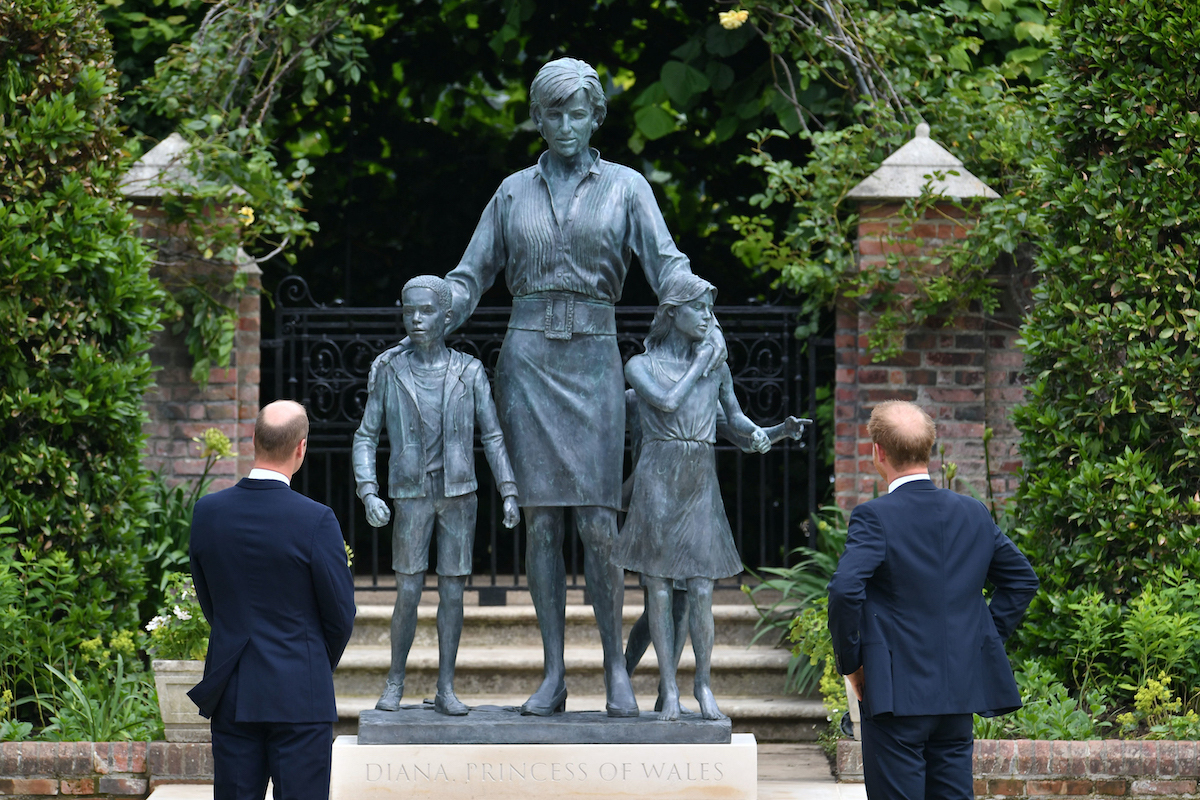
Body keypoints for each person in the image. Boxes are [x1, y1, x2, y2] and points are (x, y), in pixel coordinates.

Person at [432, 56, 727, 718]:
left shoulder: (626, 187)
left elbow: (666, 263)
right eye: (552, 112)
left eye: (577, 111)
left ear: (596, 116)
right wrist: (434, 309)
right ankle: (554, 674)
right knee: (541, 524)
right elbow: (471, 275)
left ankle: (614, 670)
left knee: (598, 521)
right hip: (528, 361)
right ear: (537, 118)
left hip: (594, 359)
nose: (564, 124)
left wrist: (703, 317)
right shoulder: (512, 192)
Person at [826, 400, 1039, 800]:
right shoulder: (973, 513)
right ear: (929, 449)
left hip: (895, 696)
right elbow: (1021, 581)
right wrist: (978, 641)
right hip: (957, 693)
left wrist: (852, 664)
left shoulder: (875, 517)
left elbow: (844, 589)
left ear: (879, 452)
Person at [352, 275, 520, 716]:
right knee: (407, 590)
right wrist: (368, 491)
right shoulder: (390, 370)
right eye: (409, 311)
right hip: (411, 494)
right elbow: (366, 436)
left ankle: (446, 687)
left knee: (453, 592)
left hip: (460, 494)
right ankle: (395, 681)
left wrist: (508, 490)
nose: (416, 319)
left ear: (447, 317)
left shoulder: (469, 370)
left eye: (426, 311)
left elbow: (494, 436)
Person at [612, 273, 770, 721]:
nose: (707, 316)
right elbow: (665, 402)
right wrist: (701, 363)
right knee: (658, 588)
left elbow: (735, 421)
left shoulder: (715, 366)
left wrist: (768, 433)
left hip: (699, 478)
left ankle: (702, 684)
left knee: (701, 588)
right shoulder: (641, 365)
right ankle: (669, 688)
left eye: (709, 308)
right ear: (671, 313)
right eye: (697, 308)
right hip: (658, 478)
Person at [188, 400, 357, 800]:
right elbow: (340, 614)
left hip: (233, 689)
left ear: (252, 441)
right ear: (301, 448)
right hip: (300, 693)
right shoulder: (317, 519)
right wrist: (311, 658)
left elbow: (208, 598)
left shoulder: (208, 512)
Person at [621, 388, 810, 713]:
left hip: (692, 504)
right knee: (657, 604)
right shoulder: (636, 396)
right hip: (654, 503)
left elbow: (745, 437)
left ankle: (666, 691)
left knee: (682, 603)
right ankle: (623, 675)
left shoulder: (702, 396)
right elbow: (604, 438)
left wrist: (781, 431)